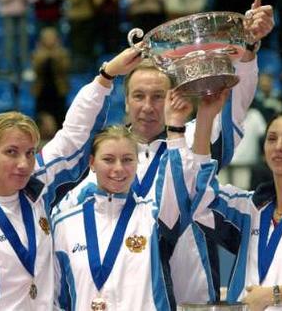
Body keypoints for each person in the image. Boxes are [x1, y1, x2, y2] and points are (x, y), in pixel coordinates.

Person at [54, 0, 275, 305]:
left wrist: (248, 48)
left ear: (174, 96)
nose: (147, 107)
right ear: (126, 101)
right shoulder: (106, 159)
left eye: (158, 96)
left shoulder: (197, 137)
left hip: (193, 295)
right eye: (139, 96)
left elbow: (234, 105)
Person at [0, 47, 142, 310]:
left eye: (29, 153)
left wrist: (106, 76)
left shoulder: (37, 188)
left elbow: (73, 137)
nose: (23, 164)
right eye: (11, 153)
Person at [161, 102, 282, 310]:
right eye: (272, 139)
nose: (279, 146)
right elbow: (197, 196)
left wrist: (272, 295)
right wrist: (202, 119)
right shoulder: (249, 207)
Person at [52, 91, 194, 310]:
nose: (118, 168)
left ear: (137, 162)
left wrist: (175, 127)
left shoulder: (155, 216)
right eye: (108, 159)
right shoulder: (63, 223)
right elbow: (56, 299)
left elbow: (181, 184)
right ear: (91, 163)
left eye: (127, 159)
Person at [31, 26, 71, 126]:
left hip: (58, 91)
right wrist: (48, 55)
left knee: (60, 120)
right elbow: (36, 68)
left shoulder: (63, 53)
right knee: (41, 120)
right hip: (42, 91)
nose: (50, 40)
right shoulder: (37, 53)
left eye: (52, 37)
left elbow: (65, 68)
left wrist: (54, 54)